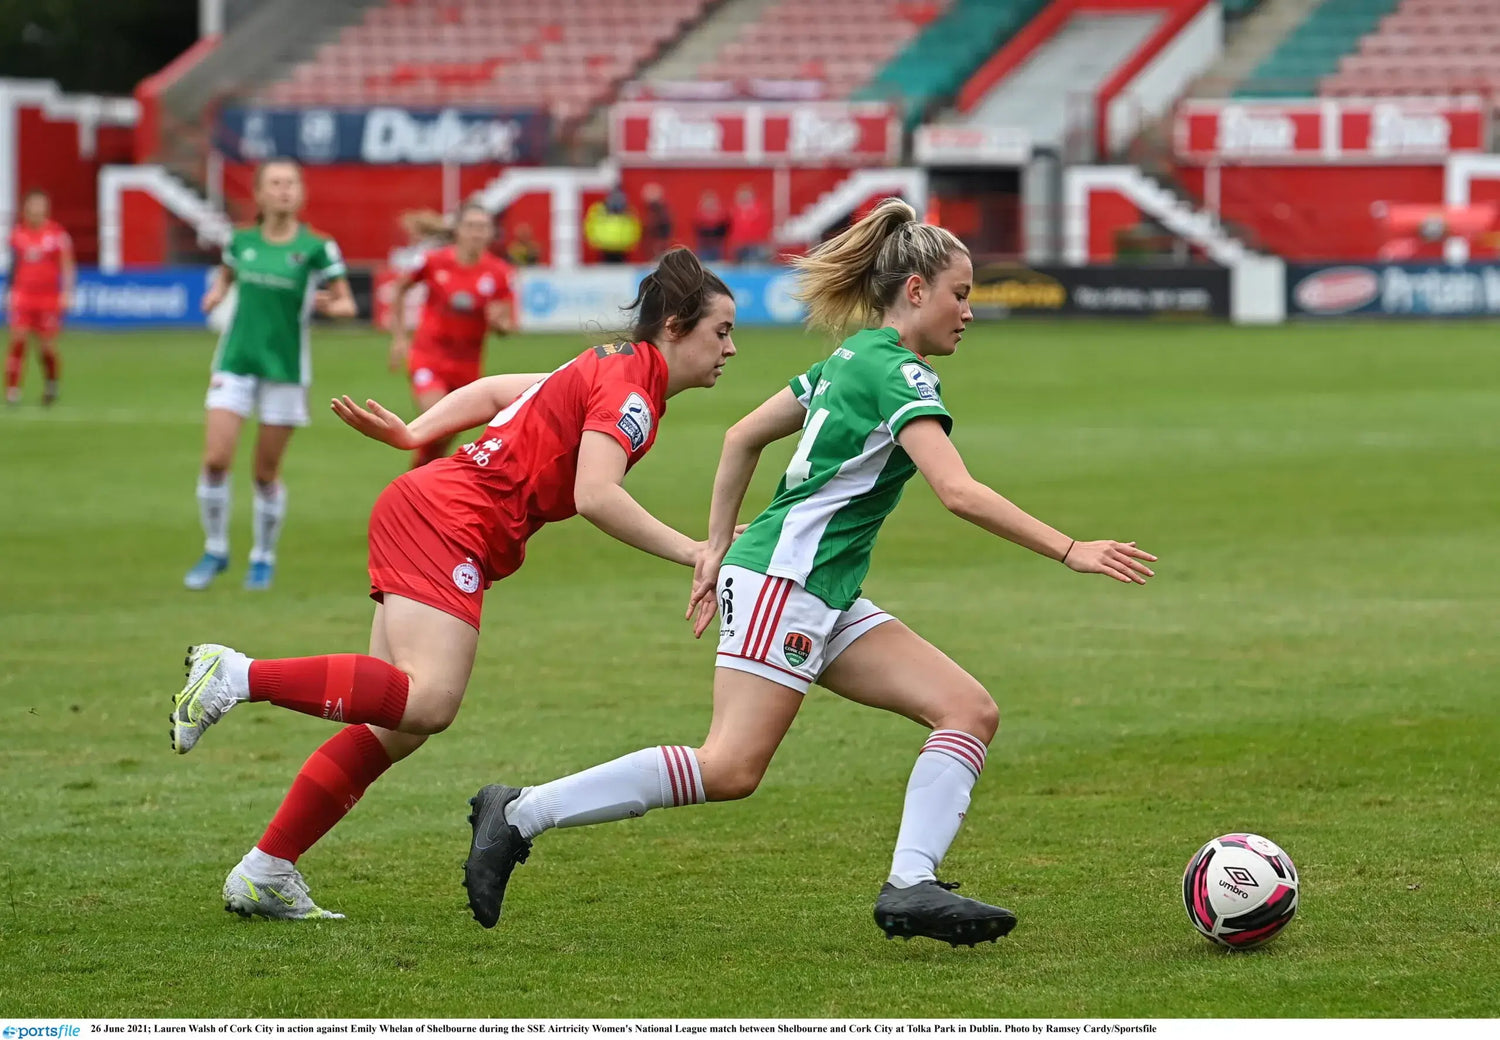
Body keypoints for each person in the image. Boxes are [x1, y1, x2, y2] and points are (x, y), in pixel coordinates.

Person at [460, 198, 1157, 944]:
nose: (969, 312)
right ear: (915, 291)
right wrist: (1069, 548)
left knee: (967, 710)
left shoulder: (847, 359)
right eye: (961, 294)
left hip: (816, 590)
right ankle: (522, 810)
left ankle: (911, 886)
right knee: (729, 768)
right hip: (785, 585)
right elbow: (957, 491)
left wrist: (714, 549)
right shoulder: (900, 377)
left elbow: (740, 437)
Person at [168, 247, 738, 920]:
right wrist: (696, 552)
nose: (731, 347)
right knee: (431, 701)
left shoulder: (612, 363)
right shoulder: (633, 390)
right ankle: (235, 673)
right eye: (721, 330)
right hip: (451, 519)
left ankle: (266, 869)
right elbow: (595, 494)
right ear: (674, 325)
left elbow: (499, 391)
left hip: (438, 507)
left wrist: (417, 429)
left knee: (398, 727)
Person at [185, 159, 356, 593]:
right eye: (275, 184)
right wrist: (217, 293)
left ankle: (262, 556)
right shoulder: (240, 241)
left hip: (285, 369)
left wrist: (327, 307)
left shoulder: (317, 247)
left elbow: (347, 304)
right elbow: (227, 275)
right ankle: (216, 548)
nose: (284, 190)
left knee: (264, 473)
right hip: (235, 361)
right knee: (215, 460)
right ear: (259, 194)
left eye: (291, 183)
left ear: (301, 193)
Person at [388, 201, 517, 468]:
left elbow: (507, 324)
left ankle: (419, 480)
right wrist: (399, 338)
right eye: (471, 226)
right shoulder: (434, 261)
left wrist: (499, 323)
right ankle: (419, 484)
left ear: (491, 233)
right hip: (429, 356)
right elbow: (399, 289)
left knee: (439, 439)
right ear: (458, 230)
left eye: (483, 227)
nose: (476, 233)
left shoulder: (499, 273)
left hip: (468, 366)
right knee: (436, 420)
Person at [5, 189, 75, 406]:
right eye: (33, 205)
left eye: (40, 205)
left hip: (48, 299)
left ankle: (51, 384)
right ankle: (12, 391)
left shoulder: (57, 235)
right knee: (18, 339)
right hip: (23, 297)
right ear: (26, 208)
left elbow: (67, 266)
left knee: (46, 347)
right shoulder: (17, 235)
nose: (36, 209)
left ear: (46, 208)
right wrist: (10, 292)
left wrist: (67, 292)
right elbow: (13, 267)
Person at [583, 188, 642, 264]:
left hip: (622, 249)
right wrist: (594, 242)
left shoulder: (629, 211)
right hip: (603, 249)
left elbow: (636, 228)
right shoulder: (599, 210)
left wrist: (632, 243)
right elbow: (589, 227)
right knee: (605, 270)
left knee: (621, 271)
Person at [727, 184, 772, 263]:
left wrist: (765, 243)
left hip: (755, 244)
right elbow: (732, 229)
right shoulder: (735, 211)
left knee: (754, 265)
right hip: (740, 244)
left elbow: (764, 227)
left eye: (746, 196)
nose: (744, 198)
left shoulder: (760, 210)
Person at [693, 190, 730, 262]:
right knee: (704, 262)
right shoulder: (699, 213)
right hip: (704, 244)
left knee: (718, 263)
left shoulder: (721, 213)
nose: (709, 204)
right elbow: (697, 227)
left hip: (717, 243)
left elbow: (725, 226)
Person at [641, 182, 674, 260]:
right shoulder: (654, 210)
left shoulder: (660, 211)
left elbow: (663, 226)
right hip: (655, 242)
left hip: (658, 241)